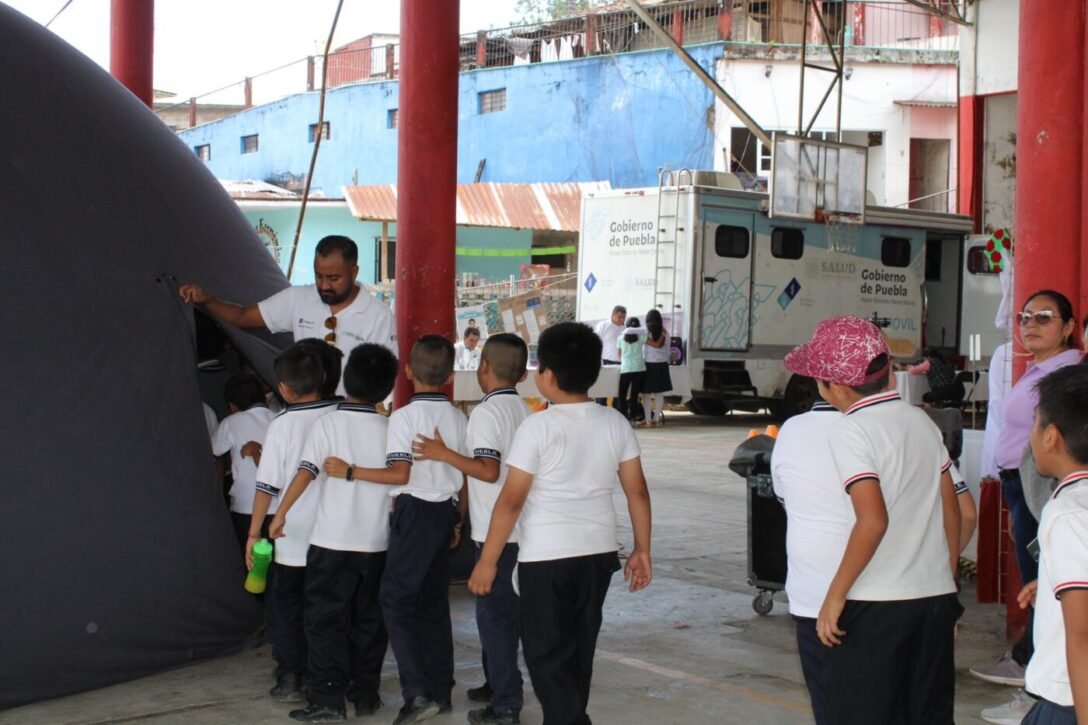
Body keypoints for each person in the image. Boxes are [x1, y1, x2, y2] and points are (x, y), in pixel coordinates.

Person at [468, 322, 653, 725]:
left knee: (544, 653)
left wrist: (488, 561)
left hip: (546, 558)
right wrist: (642, 549)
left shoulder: (538, 427)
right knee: (578, 647)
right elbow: (637, 493)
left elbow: (511, 500)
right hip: (598, 553)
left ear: (548, 376)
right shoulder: (615, 422)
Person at [784, 315, 960, 724]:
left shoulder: (851, 430)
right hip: (931, 601)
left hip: (877, 606)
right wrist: (947, 589)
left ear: (835, 386)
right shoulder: (921, 421)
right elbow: (951, 510)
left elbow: (872, 521)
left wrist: (835, 595)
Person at [326, 335, 467, 724]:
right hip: (445, 512)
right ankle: (441, 689)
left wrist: (350, 471)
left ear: (407, 372)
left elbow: (399, 473)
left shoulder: (404, 417)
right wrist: (458, 518)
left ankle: (417, 693)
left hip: (416, 510)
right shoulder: (457, 417)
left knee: (395, 600)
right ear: (451, 376)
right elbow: (464, 475)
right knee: (432, 604)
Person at [267, 344, 400, 722]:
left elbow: (306, 471)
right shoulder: (390, 428)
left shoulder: (329, 424)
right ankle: (365, 694)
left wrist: (282, 512)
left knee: (325, 621)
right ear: (388, 388)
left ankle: (327, 700)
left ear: (345, 380)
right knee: (369, 620)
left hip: (330, 544)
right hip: (376, 543)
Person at [412, 333, 531, 725]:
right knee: (504, 615)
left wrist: (443, 454)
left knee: (494, 618)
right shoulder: (523, 409)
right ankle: (497, 682)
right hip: (520, 529)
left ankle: (505, 705)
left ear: (484, 368)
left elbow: (487, 469)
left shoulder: (485, 414)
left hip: (496, 532)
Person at [973, 290, 1081, 712]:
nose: (1030, 324)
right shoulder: (1042, 367)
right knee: (1042, 579)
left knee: (1051, 581)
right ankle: (1031, 668)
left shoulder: (1066, 372)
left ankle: (1034, 676)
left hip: (1038, 486)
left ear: (1069, 328)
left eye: (1044, 317)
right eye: (1025, 316)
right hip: (1021, 483)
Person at [178, 235, 396, 395]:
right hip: (304, 419)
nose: (324, 285)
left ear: (354, 272)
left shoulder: (379, 316)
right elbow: (242, 316)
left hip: (349, 424)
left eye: (334, 278)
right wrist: (207, 299)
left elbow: (385, 379)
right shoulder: (297, 298)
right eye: (319, 276)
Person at [246, 345, 339, 703]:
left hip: (291, 537)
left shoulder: (281, 425)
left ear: (283, 388)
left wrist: (254, 532)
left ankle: (290, 677)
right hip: (337, 536)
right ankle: (328, 678)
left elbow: (265, 486)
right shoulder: (339, 415)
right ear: (325, 379)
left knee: (286, 609)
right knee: (330, 611)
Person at [1017, 364, 1088, 725]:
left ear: (1051, 437)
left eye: (1035, 422)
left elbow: (1083, 633)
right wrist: (1050, 582)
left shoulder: (1066, 513)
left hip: (1070, 698)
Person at [211, 373, 276, 551]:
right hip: (280, 507)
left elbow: (212, 453)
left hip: (245, 507)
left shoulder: (231, 422)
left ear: (232, 406)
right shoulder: (280, 419)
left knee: (250, 563)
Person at [641, 309, 672, 427]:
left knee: (646, 393)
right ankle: (656, 419)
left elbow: (654, 346)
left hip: (648, 364)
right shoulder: (666, 332)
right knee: (659, 393)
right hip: (663, 365)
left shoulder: (645, 332)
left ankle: (648, 419)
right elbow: (667, 349)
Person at [616, 317, 647, 423]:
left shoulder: (620, 338)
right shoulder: (641, 337)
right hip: (639, 368)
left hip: (626, 368)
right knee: (634, 394)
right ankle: (633, 416)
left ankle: (623, 416)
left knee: (622, 394)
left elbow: (619, 355)